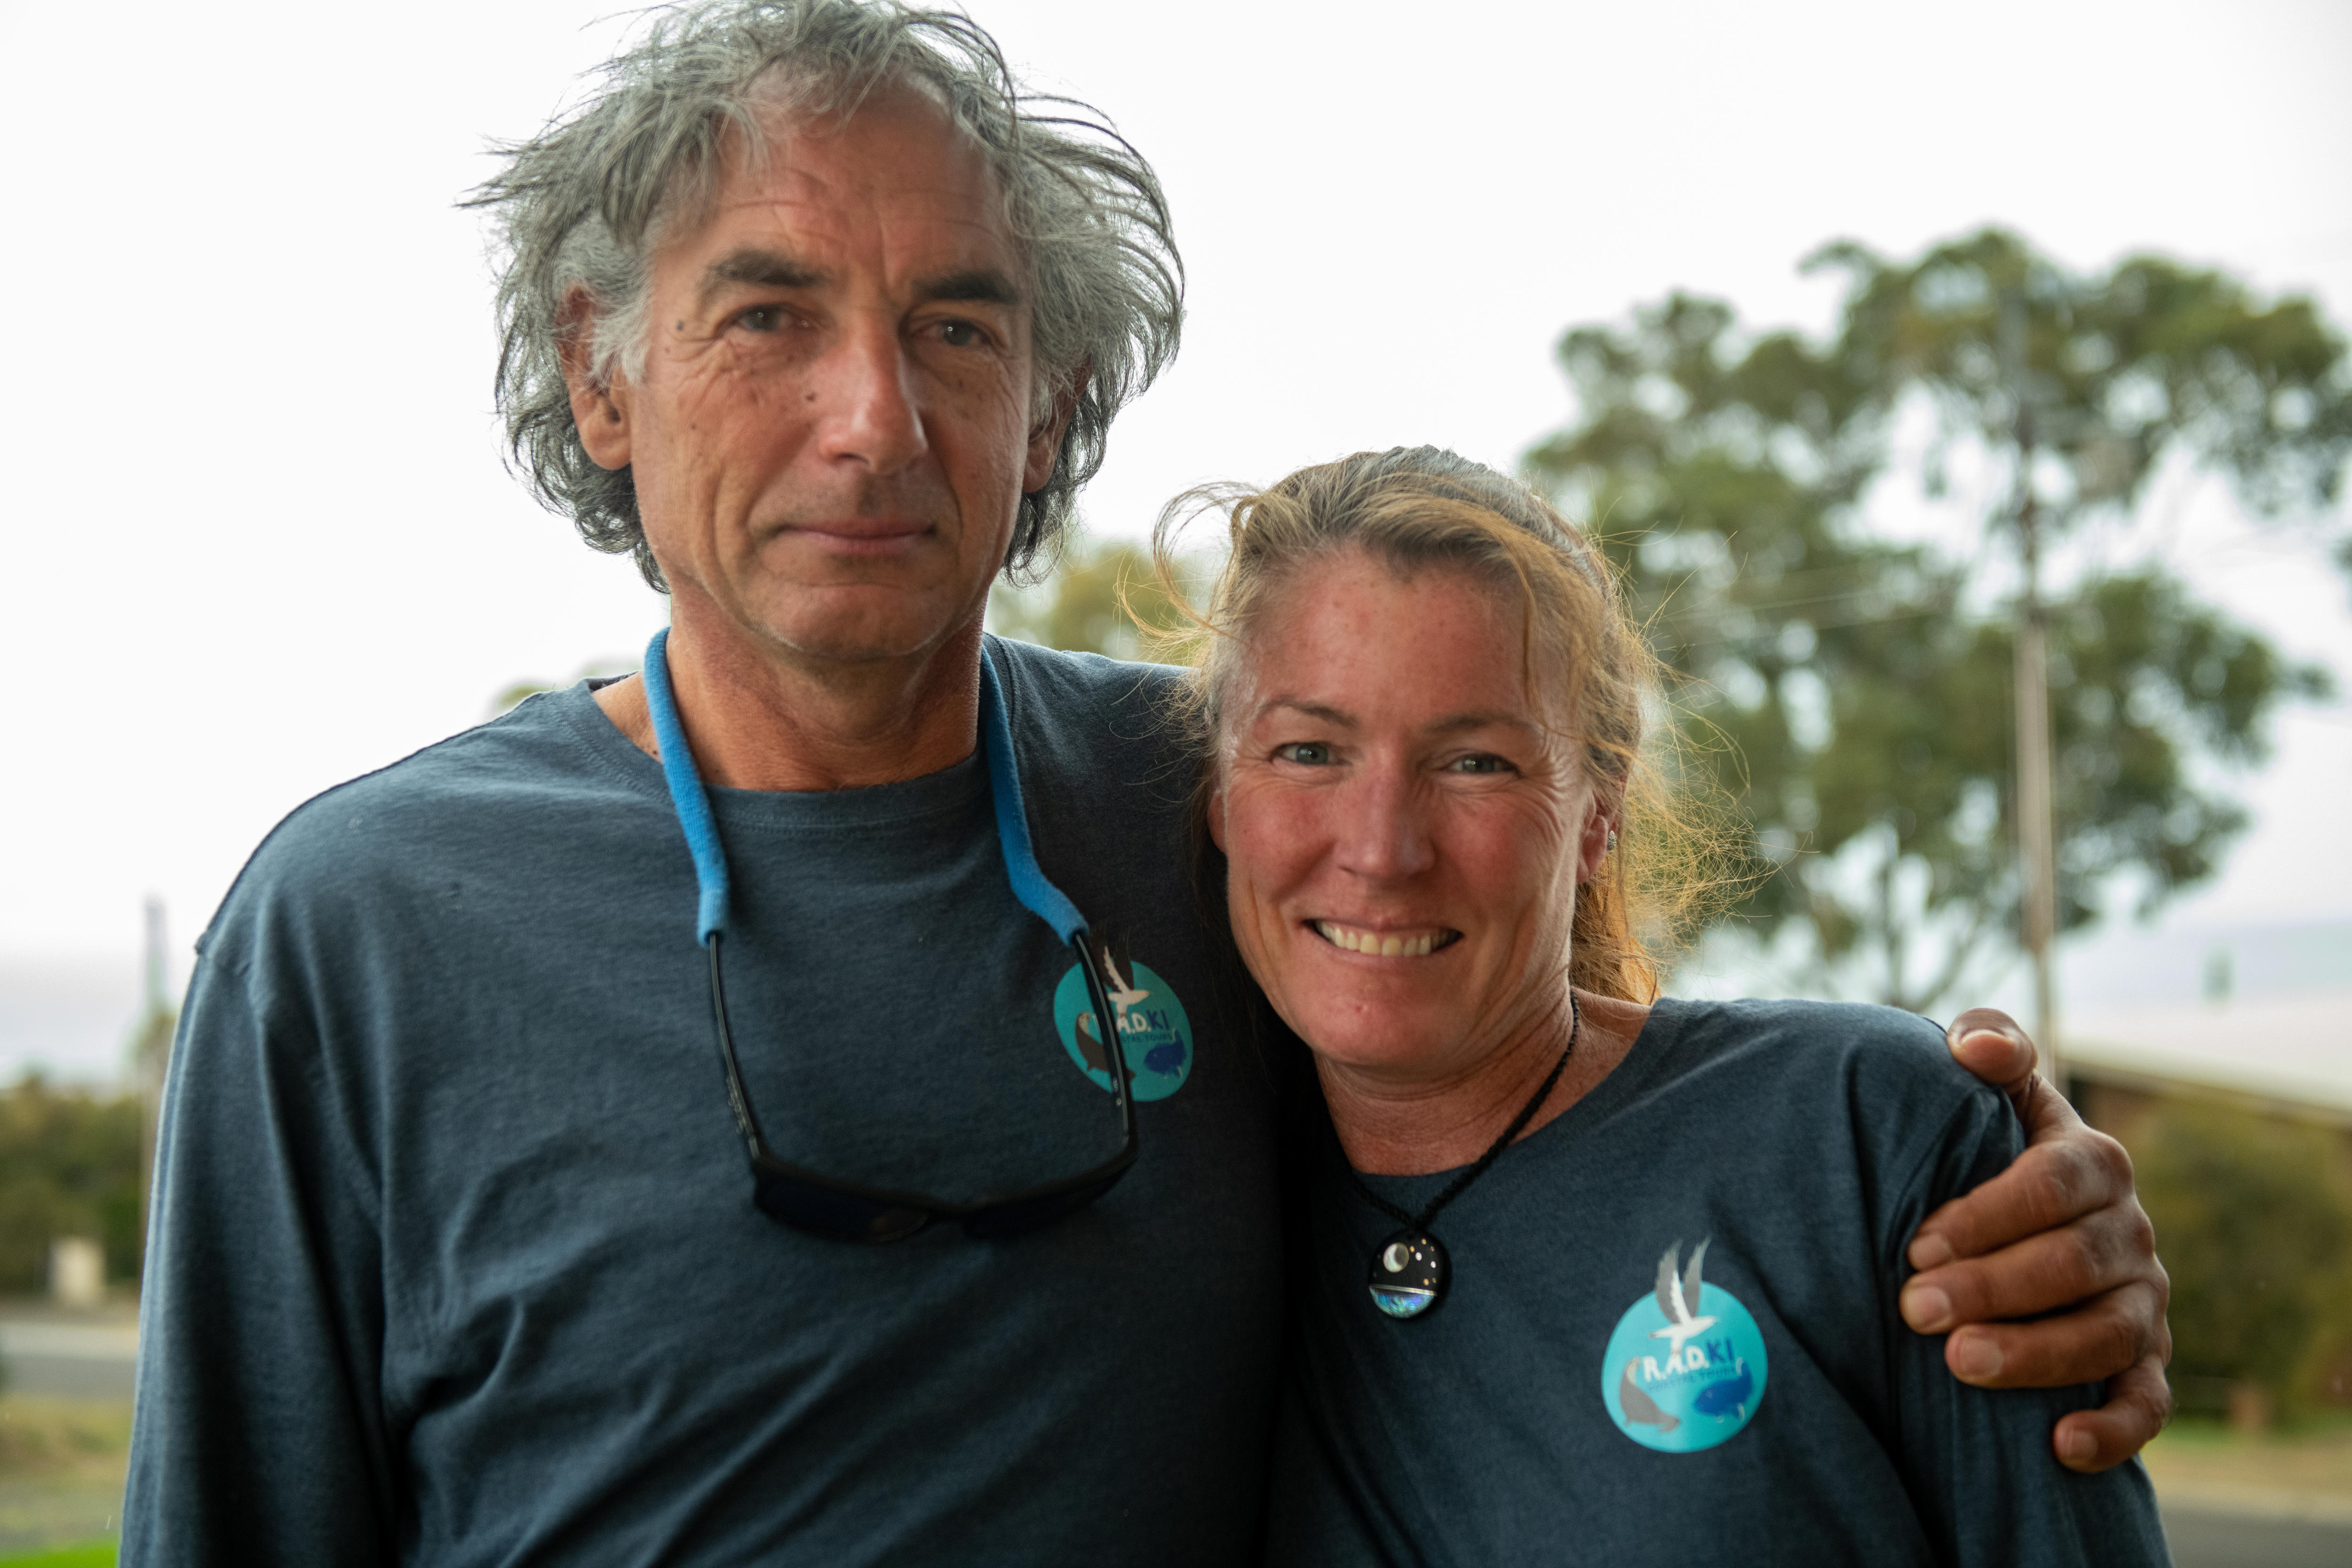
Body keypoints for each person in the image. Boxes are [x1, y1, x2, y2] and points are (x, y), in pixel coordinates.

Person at [123, 4, 2167, 1562]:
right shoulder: (361, 926)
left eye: (958, 324)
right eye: (766, 311)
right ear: (597, 367)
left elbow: (1538, 1108)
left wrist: (1965, 1202)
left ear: (1053, 408)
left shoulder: (1214, 804)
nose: (873, 418)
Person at [1168, 447, 2169, 1563]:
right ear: (1218, 791)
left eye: (1477, 763)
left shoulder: (1863, 1139)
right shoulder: (1162, 1195)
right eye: (1309, 750)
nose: (1380, 849)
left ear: (1599, 808)